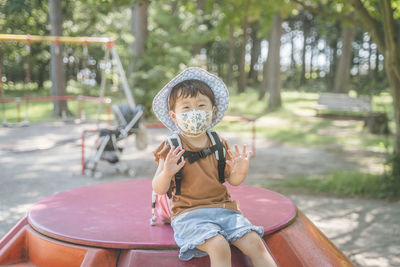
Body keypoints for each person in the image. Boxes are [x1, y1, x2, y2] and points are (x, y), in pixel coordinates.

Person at [152, 67, 277, 267]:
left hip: (225, 209)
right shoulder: (171, 147)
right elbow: (158, 188)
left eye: (201, 105)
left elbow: (233, 181)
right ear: (174, 116)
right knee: (219, 246)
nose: (194, 112)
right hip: (189, 214)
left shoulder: (219, 142)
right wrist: (167, 172)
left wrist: (241, 170)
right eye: (186, 108)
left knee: (255, 242)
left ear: (212, 111)